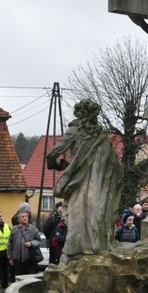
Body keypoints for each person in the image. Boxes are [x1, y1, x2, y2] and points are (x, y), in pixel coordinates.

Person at [45, 99, 123, 260]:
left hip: (79, 181)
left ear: (79, 115)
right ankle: (94, 246)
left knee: (77, 213)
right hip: (98, 183)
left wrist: (57, 165)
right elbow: (115, 166)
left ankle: (77, 248)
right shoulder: (101, 136)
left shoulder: (75, 131)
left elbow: (52, 153)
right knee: (95, 212)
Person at [8, 210, 42, 277]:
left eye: (26, 216)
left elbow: (39, 241)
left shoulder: (33, 229)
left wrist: (31, 243)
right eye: (22, 217)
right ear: (19, 219)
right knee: (18, 278)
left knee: (28, 279)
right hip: (17, 260)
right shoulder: (14, 229)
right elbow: (10, 244)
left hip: (29, 260)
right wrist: (10, 258)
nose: (25, 218)